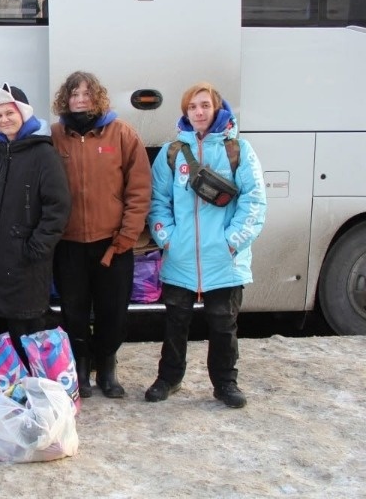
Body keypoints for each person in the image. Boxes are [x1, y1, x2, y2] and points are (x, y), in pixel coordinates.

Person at [145, 82, 266, 409]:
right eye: (192, 107)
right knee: (175, 322)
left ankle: (225, 383)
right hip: (181, 256)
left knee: (223, 324)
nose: (198, 112)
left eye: (205, 105)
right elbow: (158, 202)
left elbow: (254, 201)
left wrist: (231, 242)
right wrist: (167, 239)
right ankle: (169, 378)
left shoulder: (238, 150)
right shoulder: (172, 153)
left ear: (217, 109)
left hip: (224, 258)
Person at [50, 72, 152, 399]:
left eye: (86, 93)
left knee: (113, 310)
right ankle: (80, 366)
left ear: (97, 97)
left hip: (112, 243)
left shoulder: (122, 134)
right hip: (68, 244)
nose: (80, 100)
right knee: (73, 311)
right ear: (65, 99)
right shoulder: (54, 136)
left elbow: (139, 190)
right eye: (74, 94)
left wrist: (127, 235)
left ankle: (107, 366)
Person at [0, 84, 71, 370]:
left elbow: (57, 207)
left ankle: (30, 390)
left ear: (23, 114)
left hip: (25, 265)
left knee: (25, 338)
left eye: (9, 113)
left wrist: (36, 247)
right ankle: (1, 389)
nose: (4, 120)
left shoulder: (43, 155)